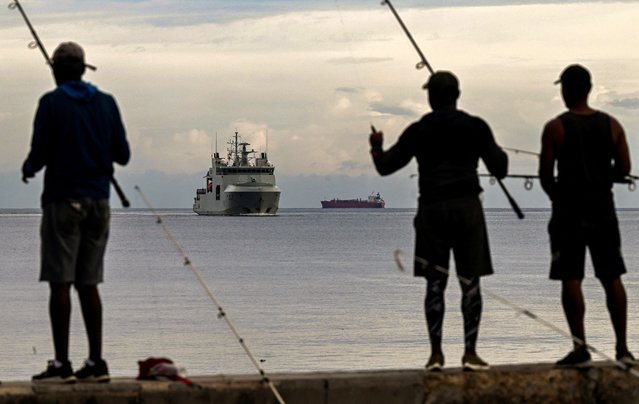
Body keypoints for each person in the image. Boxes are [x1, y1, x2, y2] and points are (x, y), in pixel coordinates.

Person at [369, 71, 508, 371]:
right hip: (468, 208)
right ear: (457, 95)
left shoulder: (418, 130)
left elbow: (385, 167)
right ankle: (470, 353)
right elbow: (500, 167)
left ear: (430, 97)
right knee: (471, 283)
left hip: (432, 211)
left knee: (435, 284)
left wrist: (377, 145)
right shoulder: (475, 126)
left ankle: (435, 355)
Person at [22, 42, 130, 383]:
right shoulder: (107, 103)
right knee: (89, 283)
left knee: (61, 283)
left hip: (63, 201)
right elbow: (123, 155)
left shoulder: (51, 103)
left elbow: (39, 154)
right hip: (99, 203)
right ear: (84, 70)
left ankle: (61, 364)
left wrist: (28, 168)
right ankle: (96, 362)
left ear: (55, 70)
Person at [539, 64, 635, 368]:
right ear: (589, 89)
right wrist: (601, 175)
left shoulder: (555, 127)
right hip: (603, 210)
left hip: (568, 212)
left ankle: (580, 348)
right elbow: (623, 169)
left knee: (571, 278)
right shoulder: (613, 125)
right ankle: (622, 348)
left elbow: (545, 176)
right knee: (612, 277)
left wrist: (559, 197)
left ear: (567, 90)